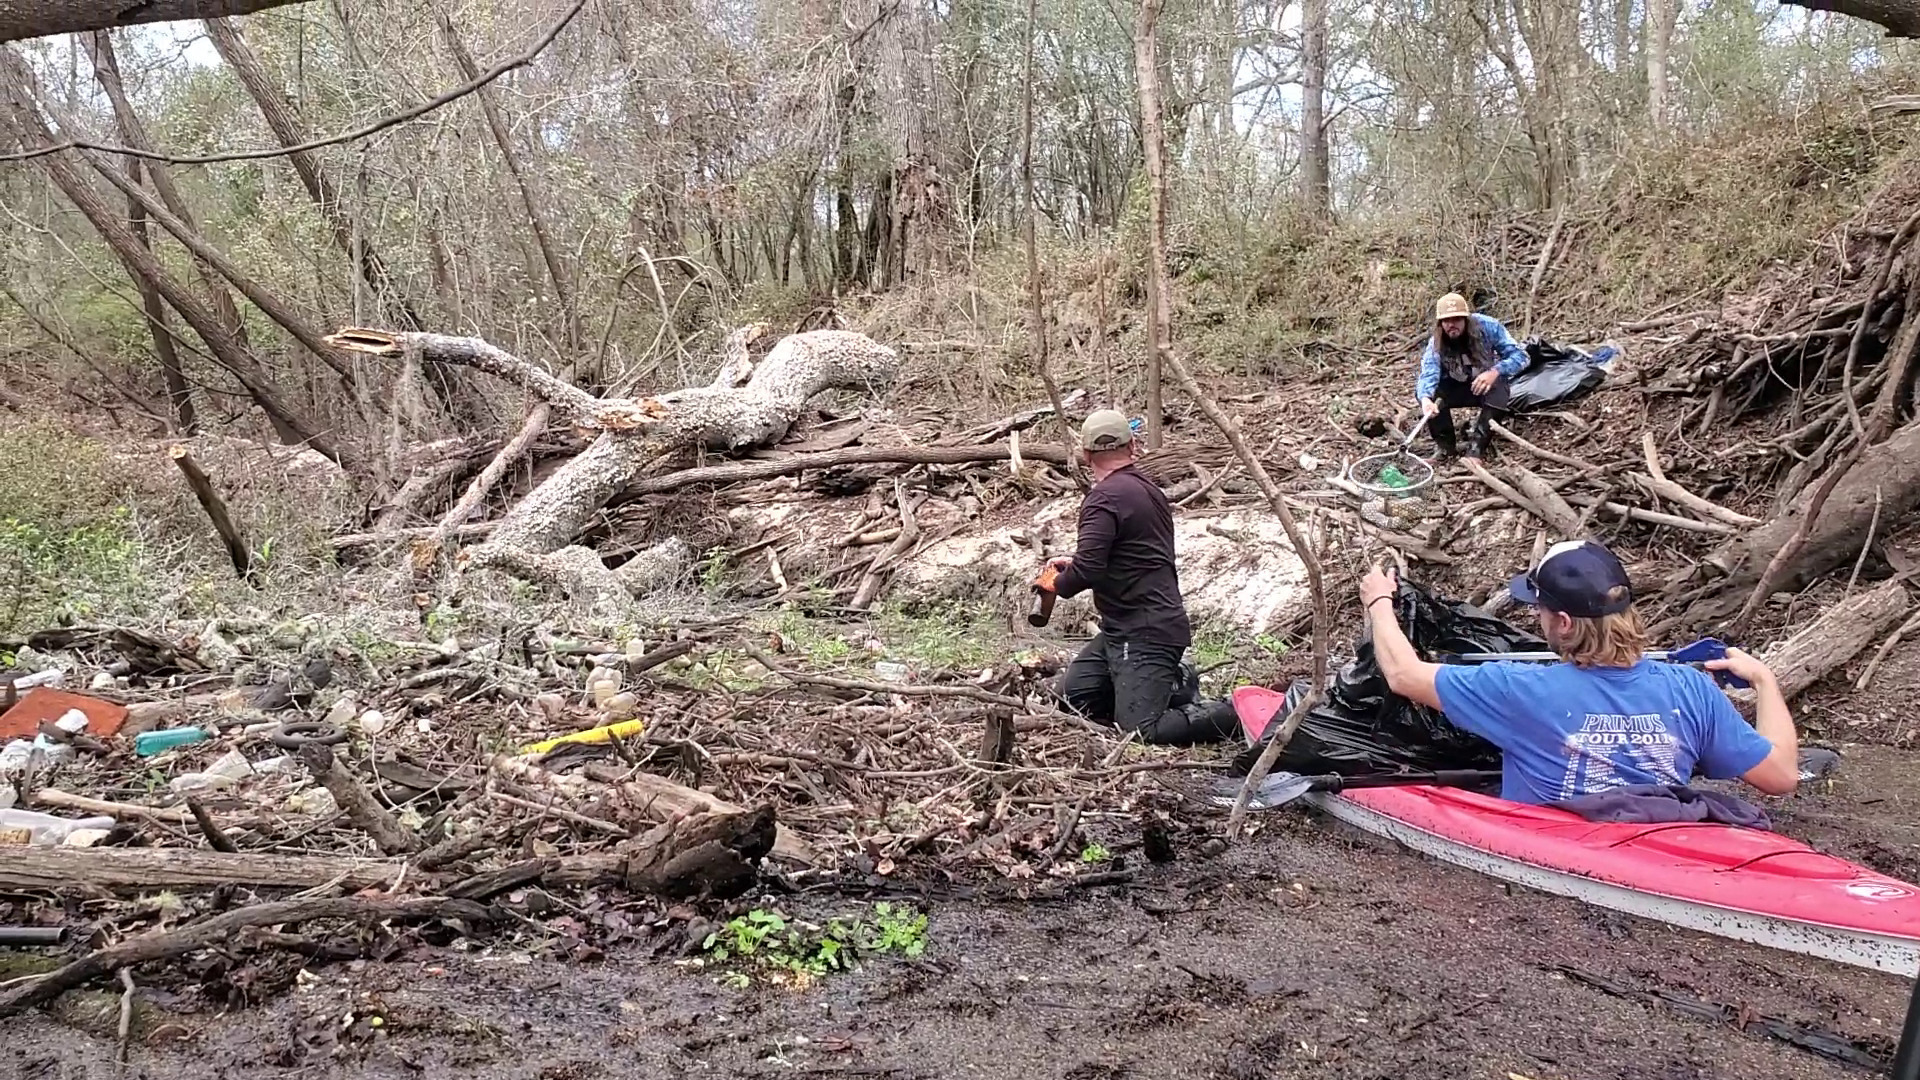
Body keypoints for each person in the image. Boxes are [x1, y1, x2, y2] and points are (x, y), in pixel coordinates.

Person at [1357, 539, 1801, 806]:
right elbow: (1781, 777)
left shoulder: (1519, 689)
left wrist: (1378, 601)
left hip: (1554, 850)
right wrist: (1765, 681)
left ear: (1564, 623)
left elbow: (1403, 675)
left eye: (1542, 611)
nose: (1538, 619)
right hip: (1657, 834)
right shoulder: (1692, 688)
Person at [1045, 409, 1238, 745]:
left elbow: (1089, 569)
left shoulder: (1102, 499)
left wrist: (1057, 583)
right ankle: (1165, 686)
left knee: (1140, 731)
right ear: (1133, 445)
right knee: (1069, 701)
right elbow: (1126, 555)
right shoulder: (1147, 490)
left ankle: (1234, 712)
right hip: (1122, 629)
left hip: (1146, 630)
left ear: (1087, 454)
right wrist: (1076, 562)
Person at [1415, 293, 1530, 464]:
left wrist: (1495, 371)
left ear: (1466, 319)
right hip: (1455, 388)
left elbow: (1521, 356)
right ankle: (1445, 448)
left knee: (1500, 385)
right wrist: (1425, 400)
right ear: (1440, 323)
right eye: (1446, 321)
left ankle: (1477, 449)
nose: (1451, 325)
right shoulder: (1436, 341)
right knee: (1430, 393)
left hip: (1484, 386)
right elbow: (1428, 372)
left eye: (1456, 320)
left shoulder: (1488, 326)